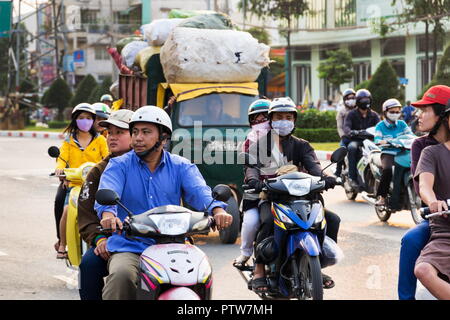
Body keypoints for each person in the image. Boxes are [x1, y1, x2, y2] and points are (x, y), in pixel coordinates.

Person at [94, 105, 233, 300]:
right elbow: (108, 193)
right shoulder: (119, 165)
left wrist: (217, 211)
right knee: (121, 276)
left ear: (163, 137)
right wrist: (109, 215)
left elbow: (201, 192)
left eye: (146, 132)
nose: (138, 138)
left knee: (201, 275)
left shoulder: (181, 166)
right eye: (134, 132)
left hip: (175, 245)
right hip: (132, 246)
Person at [245, 97, 340, 293]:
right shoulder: (259, 145)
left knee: (332, 219)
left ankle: (318, 266)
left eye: (288, 117)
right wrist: (255, 181)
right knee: (267, 223)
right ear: (271, 120)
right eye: (279, 117)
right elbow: (251, 168)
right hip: (273, 198)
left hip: (304, 198)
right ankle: (259, 270)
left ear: (294, 120)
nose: (284, 121)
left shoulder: (302, 145)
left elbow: (314, 166)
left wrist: (326, 178)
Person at [398, 85, 450, 300]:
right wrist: (434, 202)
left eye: (425, 110)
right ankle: (406, 298)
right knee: (410, 240)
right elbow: (423, 186)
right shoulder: (423, 147)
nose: (418, 115)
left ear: (442, 114)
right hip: (437, 215)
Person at [77, 109, 134, 300]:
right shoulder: (98, 172)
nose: (112, 138)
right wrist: (100, 238)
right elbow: (86, 216)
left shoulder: (158, 165)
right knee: (89, 264)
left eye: (120, 132)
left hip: (154, 239)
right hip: (112, 241)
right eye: (110, 133)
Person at [54, 103, 109, 259]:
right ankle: (62, 244)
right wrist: (60, 169)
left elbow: (107, 158)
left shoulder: (100, 141)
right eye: (81, 118)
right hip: (74, 184)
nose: (85, 121)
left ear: (93, 121)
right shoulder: (69, 141)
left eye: (88, 118)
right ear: (75, 120)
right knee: (63, 208)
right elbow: (62, 158)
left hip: (94, 185)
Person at [413, 103, 450, 300]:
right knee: (423, 270)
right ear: (448, 119)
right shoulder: (431, 153)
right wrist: (434, 201)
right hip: (445, 233)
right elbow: (425, 185)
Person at [233, 99, 271, 268]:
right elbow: (250, 166)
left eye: (265, 118)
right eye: (256, 119)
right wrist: (255, 181)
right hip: (256, 191)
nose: (260, 122)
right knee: (251, 221)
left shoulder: (284, 139)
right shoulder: (249, 142)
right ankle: (246, 252)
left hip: (283, 191)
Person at [374, 98, 414, 206]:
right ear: (385, 112)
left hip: (403, 152)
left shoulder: (402, 124)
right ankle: (382, 197)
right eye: (392, 112)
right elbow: (377, 139)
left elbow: (410, 135)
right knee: (387, 170)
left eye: (397, 112)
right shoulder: (380, 126)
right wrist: (384, 141)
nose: (395, 114)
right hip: (388, 153)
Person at [343, 89, 380, 188]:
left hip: (371, 140)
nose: (365, 101)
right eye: (363, 99)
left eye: (367, 99)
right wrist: (351, 132)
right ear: (358, 101)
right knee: (352, 148)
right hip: (357, 140)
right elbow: (346, 127)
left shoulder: (374, 115)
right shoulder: (351, 114)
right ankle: (352, 178)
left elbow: (380, 127)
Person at [334, 88, 356, 177]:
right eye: (349, 98)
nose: (351, 100)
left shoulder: (358, 110)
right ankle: (338, 172)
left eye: (353, 98)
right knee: (342, 150)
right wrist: (343, 136)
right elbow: (339, 126)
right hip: (346, 137)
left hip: (358, 136)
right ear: (344, 100)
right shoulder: (341, 112)